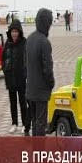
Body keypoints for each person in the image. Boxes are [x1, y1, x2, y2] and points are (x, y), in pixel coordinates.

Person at [25, 8, 55, 136]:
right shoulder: (44, 42)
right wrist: (51, 83)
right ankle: (39, 152)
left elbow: (25, 64)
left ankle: (34, 149)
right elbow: (47, 68)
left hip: (30, 88)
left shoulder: (30, 38)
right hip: (41, 91)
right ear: (45, 23)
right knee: (41, 123)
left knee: (34, 121)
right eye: (49, 22)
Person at [2, 19, 30, 136]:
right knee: (12, 101)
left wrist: (26, 72)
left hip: (21, 78)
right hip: (10, 78)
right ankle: (14, 123)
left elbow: (28, 59)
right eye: (12, 31)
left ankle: (25, 124)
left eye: (16, 31)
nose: (14, 34)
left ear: (19, 32)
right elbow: (3, 59)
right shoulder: (7, 44)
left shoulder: (24, 42)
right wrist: (5, 70)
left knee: (23, 102)